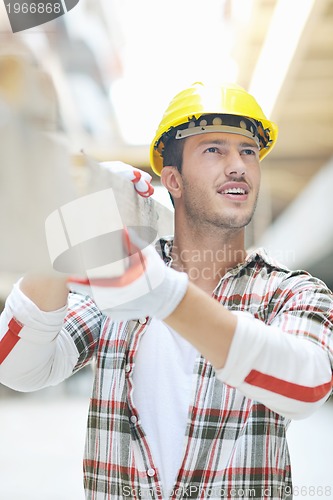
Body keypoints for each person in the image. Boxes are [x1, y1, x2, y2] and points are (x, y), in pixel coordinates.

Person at [0, 81, 332, 500]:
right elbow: (17, 367)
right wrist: (65, 230)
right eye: (214, 149)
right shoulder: (117, 292)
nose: (238, 166)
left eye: (248, 151)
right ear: (172, 179)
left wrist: (162, 295)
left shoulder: (291, 292)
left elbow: (306, 386)